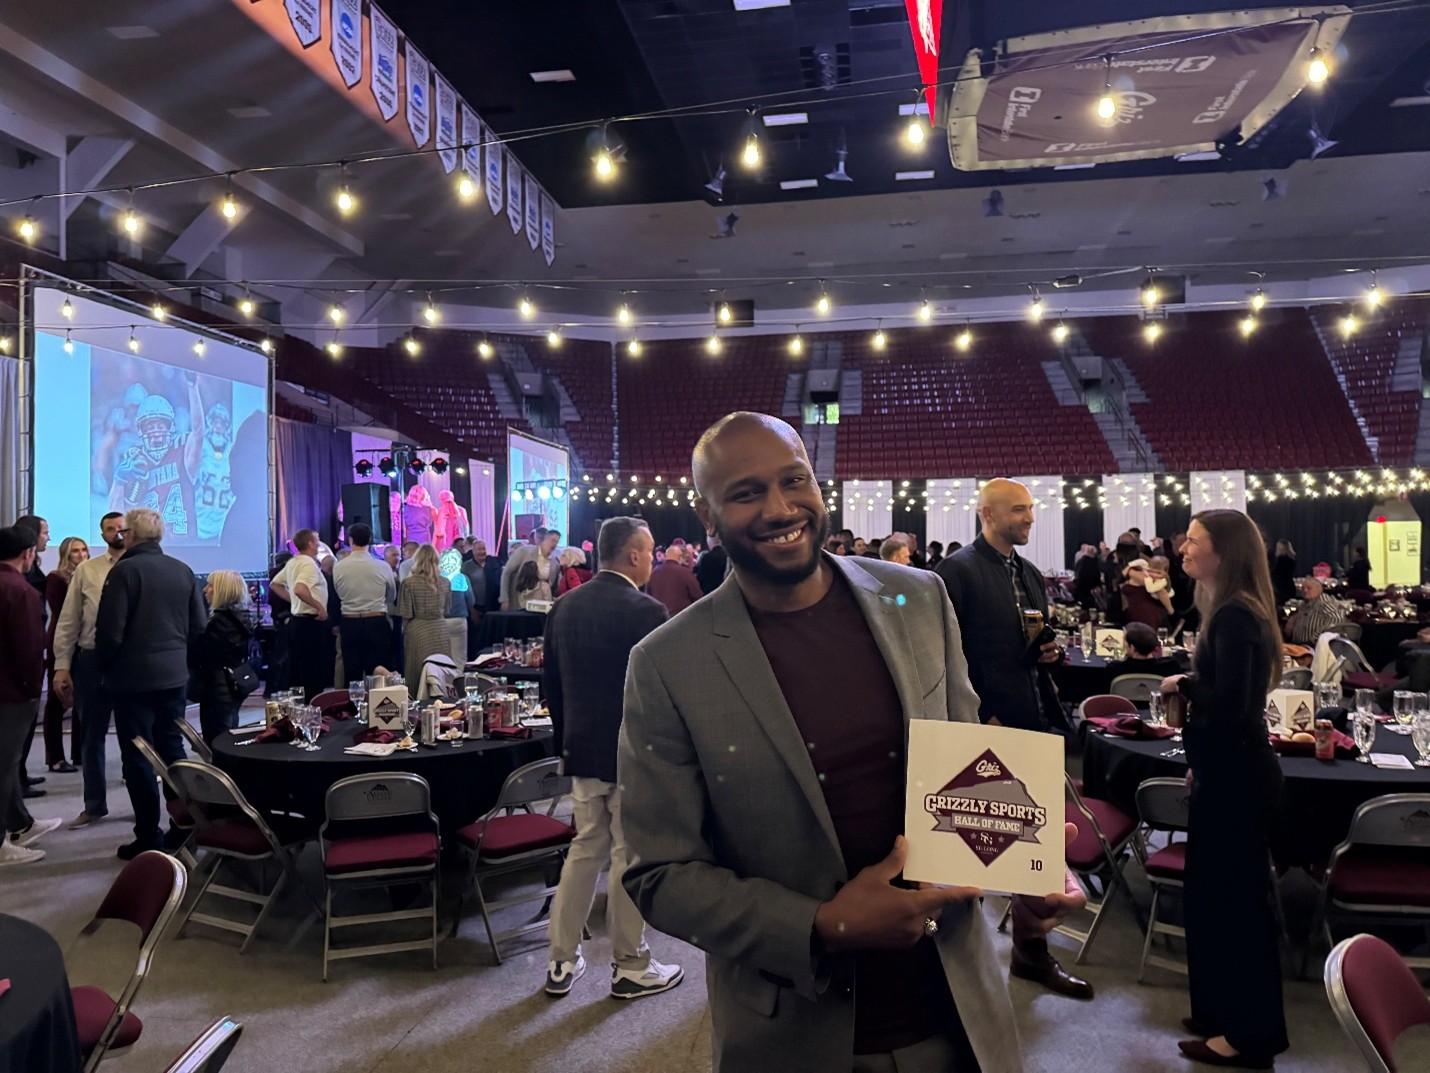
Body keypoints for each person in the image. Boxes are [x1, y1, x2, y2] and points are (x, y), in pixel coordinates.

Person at [620, 414, 1081, 1073]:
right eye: (748, 492)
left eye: (794, 479)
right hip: (795, 1035)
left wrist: (1021, 868)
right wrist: (823, 922)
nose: (781, 508)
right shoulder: (666, 662)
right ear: (707, 512)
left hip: (958, 1012)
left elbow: (968, 769)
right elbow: (659, 872)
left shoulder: (919, 596)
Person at [934, 478, 1092, 1000]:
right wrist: (983, 713)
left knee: (1035, 848)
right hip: (985, 726)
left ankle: (1030, 953)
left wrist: (1045, 653)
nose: (1029, 518)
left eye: (1030, 510)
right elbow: (946, 655)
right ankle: (959, 964)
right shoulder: (956, 572)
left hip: (1033, 718)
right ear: (988, 515)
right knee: (971, 844)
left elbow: (1023, 645)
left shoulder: (1028, 574)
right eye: (1019, 510)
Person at [1163, 511, 1288, 1068]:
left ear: (1224, 552)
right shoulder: (1227, 610)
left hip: (1239, 781)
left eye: (1194, 540)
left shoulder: (1236, 616)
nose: (1183, 547)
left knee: (1237, 910)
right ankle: (1218, 1010)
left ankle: (1250, 1035)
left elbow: (1234, 709)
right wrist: (1200, 760)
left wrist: (1183, 683)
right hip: (1224, 773)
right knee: (1211, 899)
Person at [542, 517, 681, 999]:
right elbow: (662, 696)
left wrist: (567, 742)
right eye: (651, 550)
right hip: (631, 755)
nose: (654, 558)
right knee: (627, 855)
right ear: (635, 555)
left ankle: (560, 961)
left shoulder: (563, 607)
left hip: (580, 750)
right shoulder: (647, 611)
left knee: (584, 851)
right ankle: (630, 964)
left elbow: (551, 688)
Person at [94, 508, 205, 860]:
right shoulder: (183, 570)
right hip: (174, 676)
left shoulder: (124, 571)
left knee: (139, 756)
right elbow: (199, 627)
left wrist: (102, 669)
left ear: (131, 535)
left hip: (132, 679)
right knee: (173, 749)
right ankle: (182, 828)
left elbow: (110, 632)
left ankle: (148, 835)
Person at [52, 512, 126, 829]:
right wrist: (61, 666)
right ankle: (94, 804)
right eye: (110, 529)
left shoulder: (139, 568)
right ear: (103, 533)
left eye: (121, 528)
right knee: (91, 737)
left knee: (136, 736)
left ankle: (142, 803)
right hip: (92, 661)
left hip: (130, 661)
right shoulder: (87, 570)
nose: (116, 533)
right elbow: (68, 621)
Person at [0, 525, 62, 865]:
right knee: (4, 765)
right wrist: (31, 689)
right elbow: (27, 647)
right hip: (11, 695)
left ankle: (20, 824)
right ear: (28, 554)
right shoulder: (19, 591)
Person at [268, 530, 331, 703]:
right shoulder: (308, 564)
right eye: (317, 540)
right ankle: (313, 710)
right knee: (312, 671)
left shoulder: (293, 562)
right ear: (310, 543)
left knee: (297, 669)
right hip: (310, 623)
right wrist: (319, 607)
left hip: (297, 622)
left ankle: (299, 709)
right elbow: (300, 589)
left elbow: (275, 584)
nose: (319, 543)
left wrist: (293, 600)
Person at [192, 571, 255, 743]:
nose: (205, 590)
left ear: (221, 591)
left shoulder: (219, 623)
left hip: (217, 686)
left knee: (217, 739)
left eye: (210, 586)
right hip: (234, 683)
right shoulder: (242, 618)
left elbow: (200, 655)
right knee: (229, 731)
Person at [42, 536, 88, 773]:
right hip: (62, 642)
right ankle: (55, 757)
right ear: (66, 555)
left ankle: (80, 753)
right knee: (57, 701)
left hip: (83, 643)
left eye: (83, 550)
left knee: (84, 699)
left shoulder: (90, 575)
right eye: (75, 552)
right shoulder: (56, 578)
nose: (81, 555)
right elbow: (62, 616)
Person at [331, 523, 395, 681]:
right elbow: (391, 595)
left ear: (350, 540)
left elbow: (337, 593)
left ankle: (353, 704)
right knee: (379, 672)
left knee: (352, 673)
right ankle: (380, 705)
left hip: (350, 622)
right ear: (370, 540)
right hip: (376, 620)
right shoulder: (382, 566)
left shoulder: (338, 567)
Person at [398, 544, 451, 686]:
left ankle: (417, 702)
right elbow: (446, 610)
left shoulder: (408, 583)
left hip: (418, 630)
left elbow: (405, 613)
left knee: (417, 671)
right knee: (441, 669)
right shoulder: (446, 582)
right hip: (440, 629)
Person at [502, 528, 560, 610]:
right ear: (545, 539)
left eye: (557, 542)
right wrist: (504, 599)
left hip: (544, 602)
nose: (554, 544)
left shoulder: (555, 562)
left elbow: (554, 586)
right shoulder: (525, 551)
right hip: (522, 600)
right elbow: (506, 572)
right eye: (552, 540)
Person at [1105, 623, 1183, 679]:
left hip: (1123, 702)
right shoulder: (1170, 666)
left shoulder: (1115, 669)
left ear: (1132, 648)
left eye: (1124, 640)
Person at [646, 541, 704, 616]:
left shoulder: (654, 573)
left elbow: (648, 596)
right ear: (680, 557)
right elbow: (698, 596)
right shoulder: (685, 572)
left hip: (659, 620)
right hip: (681, 619)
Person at [1284, 576, 1347, 645]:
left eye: (1309, 588)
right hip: (1299, 647)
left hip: (1313, 647)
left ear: (1319, 589)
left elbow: (1337, 618)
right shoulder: (1304, 604)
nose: (1305, 590)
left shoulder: (1324, 601)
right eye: (1302, 588)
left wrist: (1318, 637)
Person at [1120, 558, 1173, 629]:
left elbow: (1162, 592)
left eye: (1157, 572)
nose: (1153, 573)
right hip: (1134, 612)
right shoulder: (1138, 572)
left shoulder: (1153, 579)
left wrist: (1170, 609)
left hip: (1146, 614)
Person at [1271, 539, 1297, 606]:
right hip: (1289, 586)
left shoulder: (1280, 561)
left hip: (1281, 588)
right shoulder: (1292, 560)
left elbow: (1277, 574)